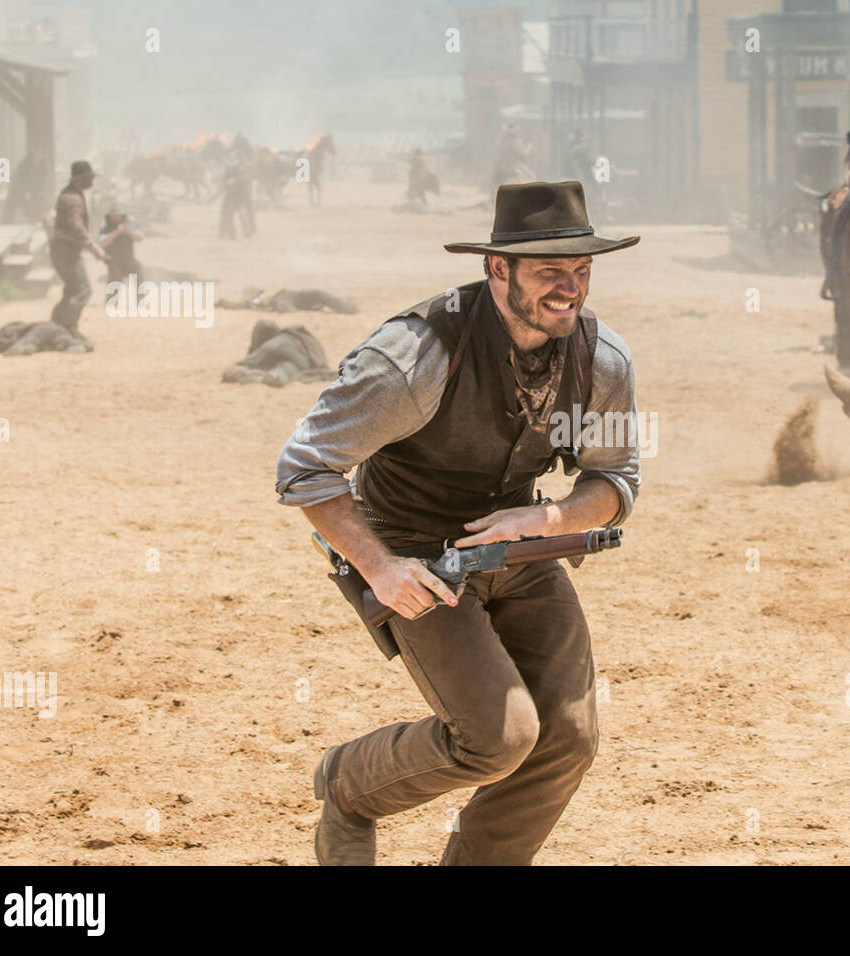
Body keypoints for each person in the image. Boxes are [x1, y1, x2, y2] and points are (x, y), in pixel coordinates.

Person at [275, 180, 641, 865]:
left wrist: (551, 516)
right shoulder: (415, 357)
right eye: (550, 272)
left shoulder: (602, 359)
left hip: (521, 552)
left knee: (566, 739)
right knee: (497, 738)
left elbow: (616, 481)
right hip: (414, 556)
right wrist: (380, 567)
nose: (571, 288)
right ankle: (349, 787)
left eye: (582, 270)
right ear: (496, 268)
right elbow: (304, 468)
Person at [49, 160, 107, 339]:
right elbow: (76, 227)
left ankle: (56, 325)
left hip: (64, 250)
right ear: (80, 179)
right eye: (89, 178)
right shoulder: (73, 198)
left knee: (72, 289)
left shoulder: (71, 194)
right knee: (82, 290)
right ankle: (67, 328)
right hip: (67, 251)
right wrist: (93, 247)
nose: (92, 181)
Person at [97, 204, 205, 285]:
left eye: (118, 216)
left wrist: (128, 231)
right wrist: (116, 233)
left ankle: (140, 303)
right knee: (114, 286)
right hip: (115, 263)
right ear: (109, 217)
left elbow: (139, 237)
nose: (115, 218)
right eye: (113, 216)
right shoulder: (105, 230)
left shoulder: (129, 227)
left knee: (140, 278)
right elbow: (102, 242)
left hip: (129, 261)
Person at [222, 319, 330, 386]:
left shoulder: (271, 345)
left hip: (282, 347)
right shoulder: (295, 333)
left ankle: (264, 376)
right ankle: (276, 375)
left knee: (232, 371)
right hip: (307, 362)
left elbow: (246, 362)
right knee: (287, 366)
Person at [216, 286, 357, 314]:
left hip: (294, 296)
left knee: (318, 294)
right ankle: (347, 307)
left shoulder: (263, 295)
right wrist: (224, 302)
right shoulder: (256, 301)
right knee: (318, 294)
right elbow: (242, 305)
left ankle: (346, 306)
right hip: (290, 298)